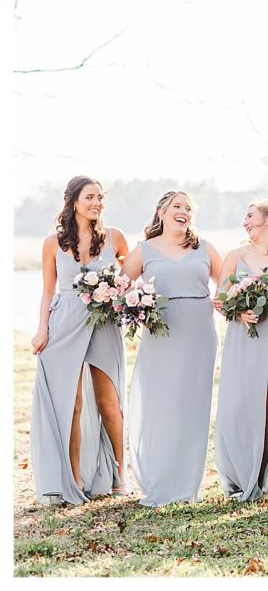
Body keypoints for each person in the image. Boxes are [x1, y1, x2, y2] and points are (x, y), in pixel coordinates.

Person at [31, 176, 130, 504]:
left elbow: (129, 280)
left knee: (109, 403)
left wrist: (122, 297)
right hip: (66, 322)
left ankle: (120, 475)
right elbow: (48, 290)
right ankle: (74, 478)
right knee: (71, 404)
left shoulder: (115, 238)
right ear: (73, 201)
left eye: (100, 197)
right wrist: (42, 329)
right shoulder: (52, 243)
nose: (96, 203)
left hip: (104, 323)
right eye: (90, 197)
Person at [122, 190, 222, 506]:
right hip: (160, 336)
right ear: (162, 212)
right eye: (177, 206)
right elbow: (119, 291)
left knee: (192, 406)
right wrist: (137, 308)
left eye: (189, 208)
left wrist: (229, 301)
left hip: (199, 334)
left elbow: (229, 284)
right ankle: (159, 477)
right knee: (160, 403)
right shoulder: (144, 250)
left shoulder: (205, 248)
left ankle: (186, 484)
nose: (184, 211)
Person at [214, 199, 268, 501]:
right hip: (245, 339)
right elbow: (220, 298)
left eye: (250, 214)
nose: (245, 221)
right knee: (243, 407)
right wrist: (238, 312)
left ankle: (261, 477)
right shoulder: (236, 255)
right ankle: (242, 474)